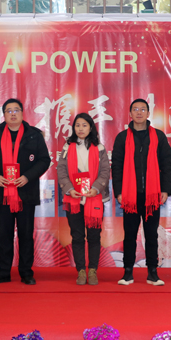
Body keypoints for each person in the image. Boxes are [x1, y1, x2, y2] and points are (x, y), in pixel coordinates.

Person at [0, 98, 51, 285]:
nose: (13, 114)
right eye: (9, 111)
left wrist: (27, 176)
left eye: (16, 110)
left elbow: (44, 160)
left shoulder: (34, 135)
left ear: (22, 113)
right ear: (4, 115)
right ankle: (3, 272)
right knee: (4, 235)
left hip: (25, 192)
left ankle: (26, 273)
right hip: (2, 193)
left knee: (26, 235)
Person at [111, 98, 171, 286]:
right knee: (129, 235)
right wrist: (118, 192)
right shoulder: (122, 137)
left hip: (152, 196)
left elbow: (167, 164)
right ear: (130, 113)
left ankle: (152, 273)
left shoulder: (159, 136)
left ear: (148, 113)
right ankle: (127, 273)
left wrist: (165, 189)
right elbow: (117, 166)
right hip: (130, 196)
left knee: (152, 234)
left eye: (143, 109)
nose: (139, 112)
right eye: (135, 109)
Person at [57, 113, 110, 285]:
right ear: (74, 128)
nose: (81, 129)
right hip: (74, 199)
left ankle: (93, 270)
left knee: (94, 236)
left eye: (84, 125)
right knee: (77, 236)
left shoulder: (99, 148)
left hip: (94, 198)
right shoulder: (67, 147)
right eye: (77, 125)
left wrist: (96, 189)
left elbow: (105, 171)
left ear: (91, 127)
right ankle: (80, 271)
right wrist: (69, 189)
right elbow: (61, 170)